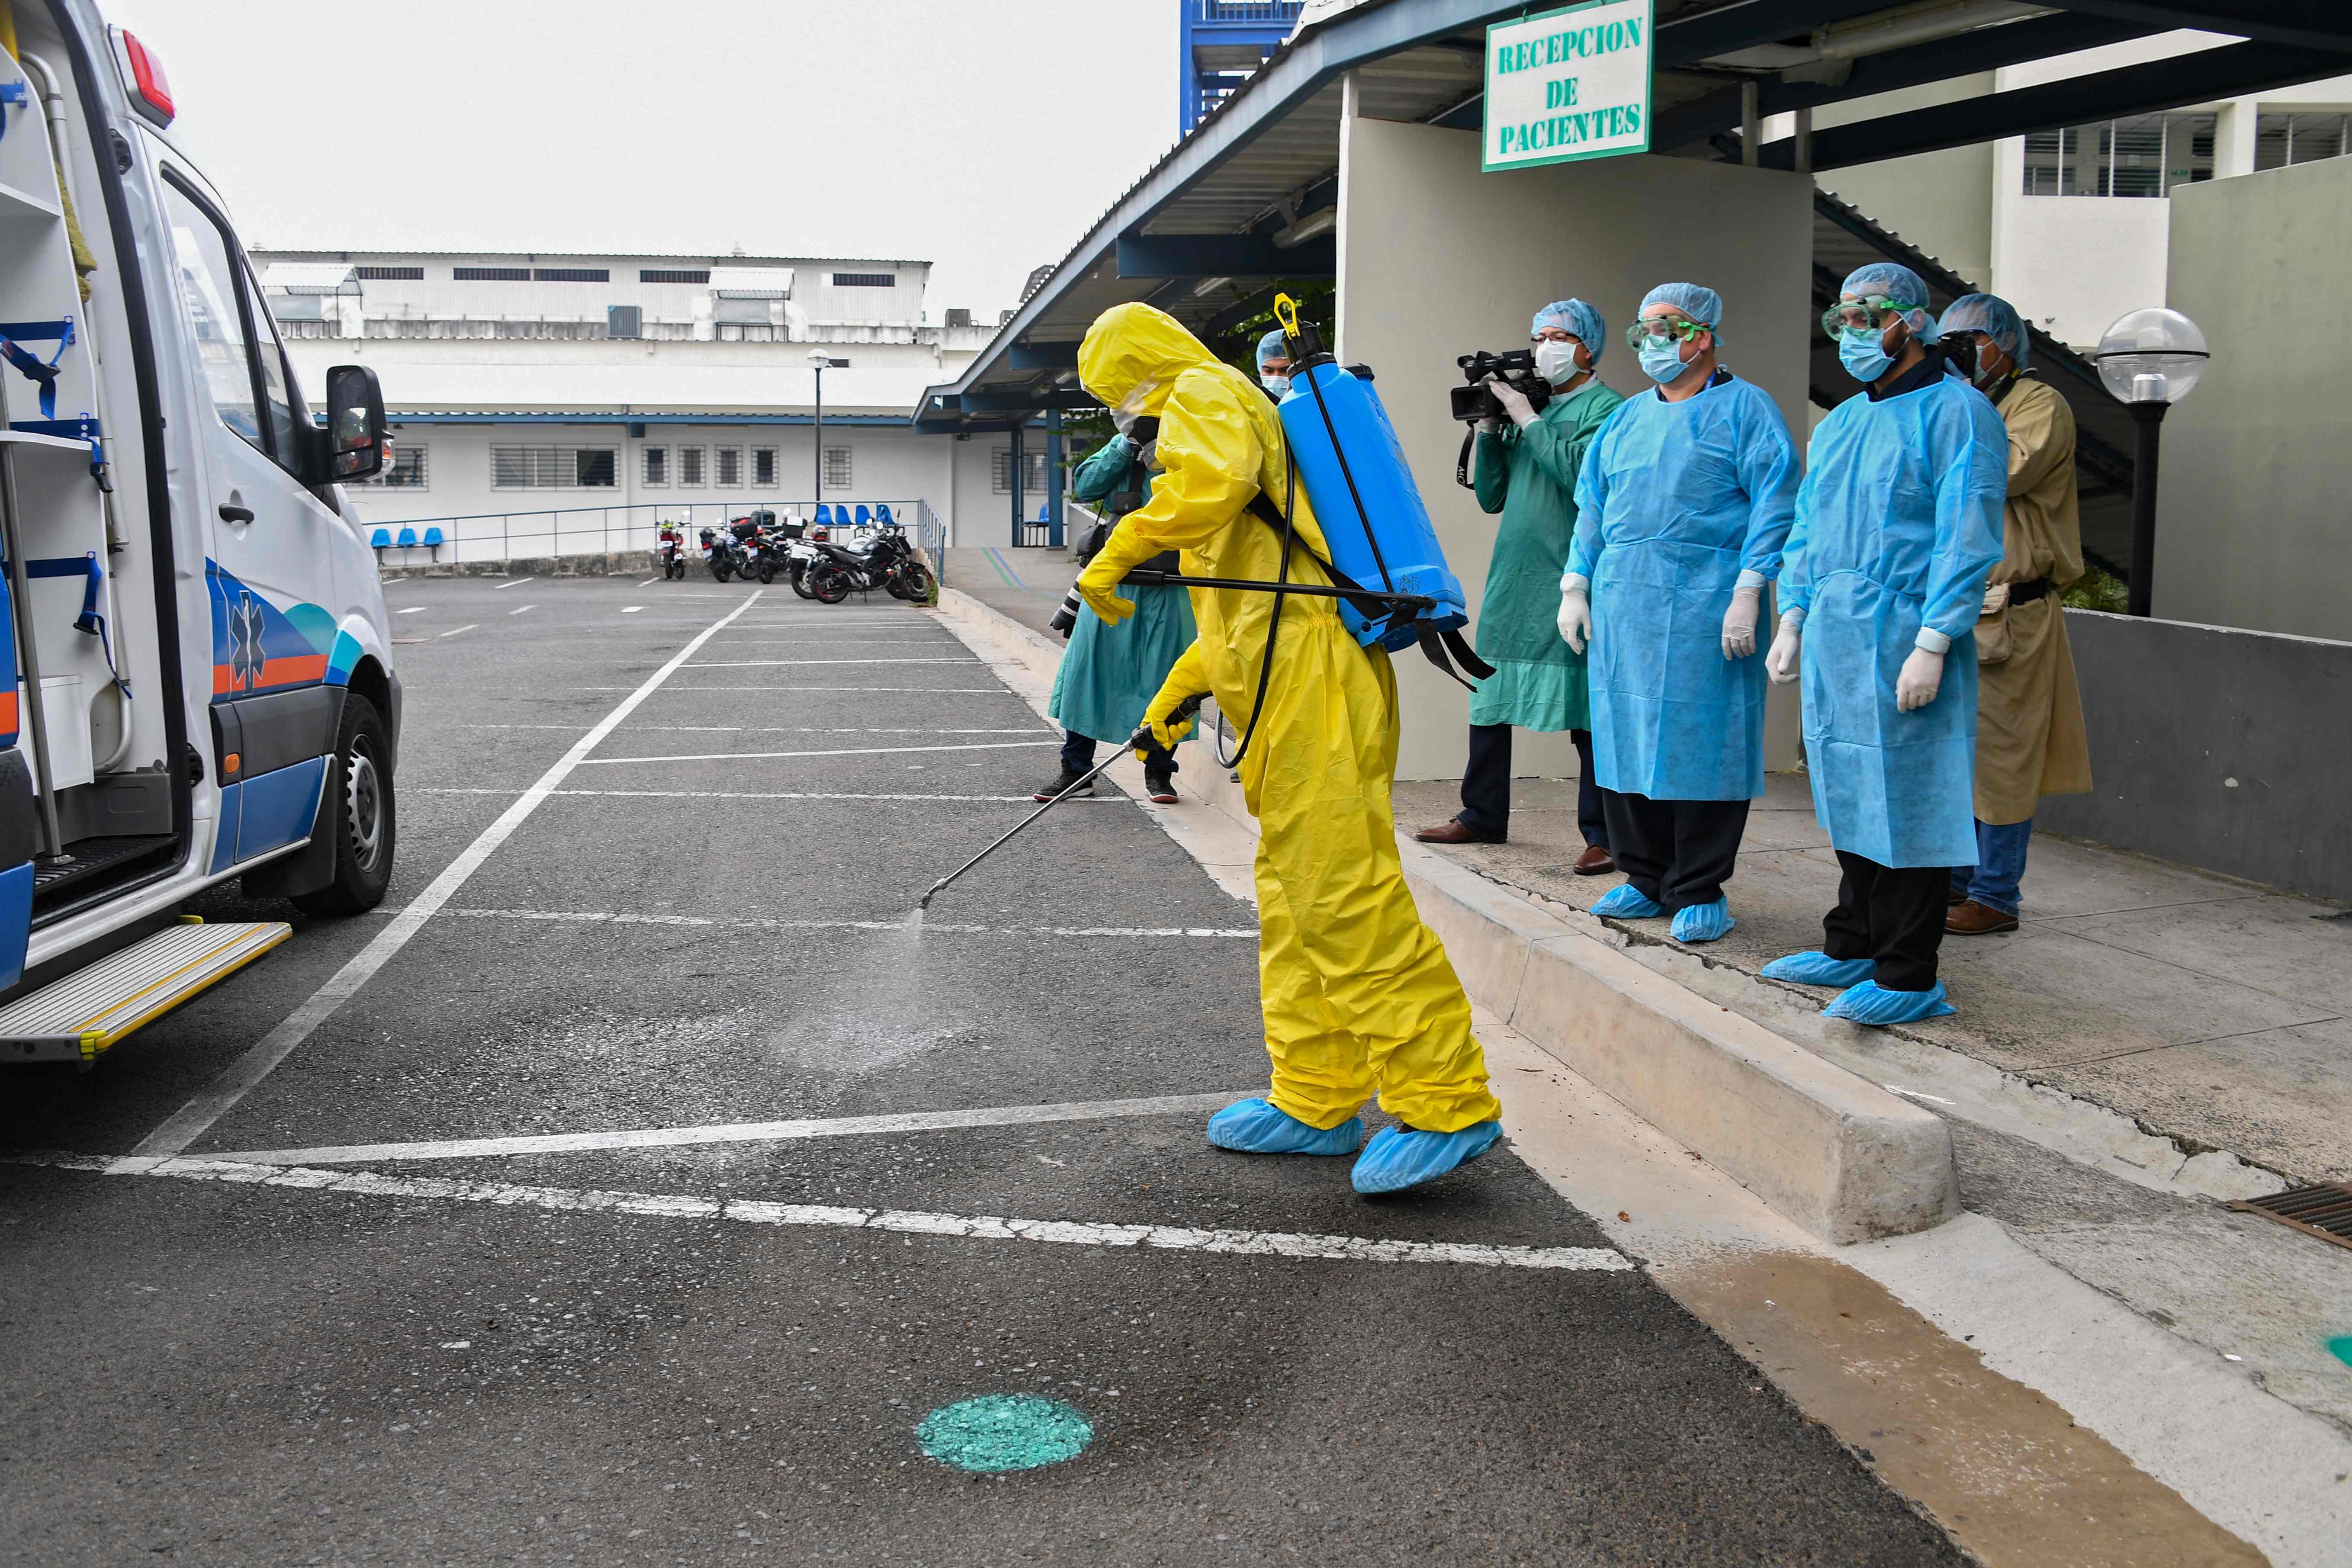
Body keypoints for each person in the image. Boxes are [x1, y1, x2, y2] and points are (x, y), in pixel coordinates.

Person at [1070, 302, 1503, 1195]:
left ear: (1131, 369)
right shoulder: (1213, 404)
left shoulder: (1201, 393)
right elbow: (1251, 603)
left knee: (1343, 896)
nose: (1124, 419)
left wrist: (1124, 545)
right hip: (1287, 684)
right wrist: (1177, 695)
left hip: (1313, 689)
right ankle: (1315, 1096)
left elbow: (1215, 485)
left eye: (1113, 396)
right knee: (1296, 899)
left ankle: (1445, 1100)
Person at [1761, 263, 2007, 1025]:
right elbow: (1807, 527)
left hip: (1906, 630)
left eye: (1869, 316)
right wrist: (1793, 613)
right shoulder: (1839, 423)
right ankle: (1853, 940)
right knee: (1850, 789)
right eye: (1844, 319)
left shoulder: (1959, 414)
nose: (1855, 334)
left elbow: (1966, 533)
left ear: (1912, 320)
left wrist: (1935, 637)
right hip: (1836, 633)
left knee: (1908, 798)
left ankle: (1909, 972)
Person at [1558, 283, 1799, 945]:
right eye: (1644, 331)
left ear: (1704, 334)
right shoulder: (1628, 418)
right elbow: (1594, 506)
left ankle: (1697, 887)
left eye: (1667, 328)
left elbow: (1776, 504)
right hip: (1624, 601)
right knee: (1627, 734)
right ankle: (1642, 876)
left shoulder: (1747, 411)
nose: (1653, 342)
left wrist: (1751, 589)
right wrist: (1576, 581)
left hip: (1708, 603)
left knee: (1704, 746)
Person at [1415, 299, 1623, 871]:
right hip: (1515, 576)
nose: (1543, 349)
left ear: (1589, 347)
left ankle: (1604, 833)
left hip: (1572, 575)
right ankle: (1481, 814)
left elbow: (1583, 480)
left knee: (1586, 709)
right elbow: (1491, 497)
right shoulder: (1527, 407)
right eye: (1537, 337)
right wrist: (1489, 430)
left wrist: (1528, 423)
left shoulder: (1609, 411)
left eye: (1557, 336)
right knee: (1490, 696)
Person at [1936, 293, 2093, 935]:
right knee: (1954, 754)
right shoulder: (1961, 404)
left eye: (1972, 341)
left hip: (2012, 607)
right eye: (1949, 344)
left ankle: (1996, 896)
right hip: (1956, 602)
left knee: (2003, 757)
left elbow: (1999, 474)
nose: (1962, 355)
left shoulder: (2038, 405)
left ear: (2004, 342)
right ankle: (1951, 884)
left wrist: (1947, 403)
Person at [1037, 422, 1197, 806]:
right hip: (1111, 582)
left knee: (1168, 678)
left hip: (1173, 585)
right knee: (1086, 674)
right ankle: (1076, 771)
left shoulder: (1192, 443)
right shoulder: (1126, 448)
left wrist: (1169, 456)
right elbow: (1087, 486)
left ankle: (1159, 772)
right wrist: (1126, 445)